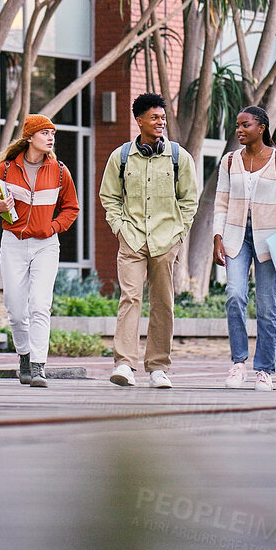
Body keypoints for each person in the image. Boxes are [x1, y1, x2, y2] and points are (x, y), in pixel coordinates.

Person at [99, 93, 199, 388]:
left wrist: (179, 235)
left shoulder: (179, 157)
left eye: (163, 118)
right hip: (131, 238)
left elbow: (189, 200)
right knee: (130, 298)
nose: (160, 122)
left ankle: (158, 367)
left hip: (166, 240)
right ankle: (124, 365)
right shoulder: (120, 157)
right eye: (154, 117)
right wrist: (119, 227)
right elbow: (109, 197)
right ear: (139, 119)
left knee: (163, 303)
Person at [0, 115, 81, 387]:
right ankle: (24, 356)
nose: (50, 138)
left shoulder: (60, 171)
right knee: (15, 310)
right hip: (13, 241)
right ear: (30, 138)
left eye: (53, 134)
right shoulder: (5, 169)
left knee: (40, 305)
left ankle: (38, 366)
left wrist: (52, 228)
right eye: (44, 133)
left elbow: (71, 208)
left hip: (46, 245)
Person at [211, 106, 276, 391]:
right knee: (235, 294)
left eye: (245, 125)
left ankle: (264, 369)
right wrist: (217, 236)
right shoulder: (229, 161)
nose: (239, 130)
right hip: (236, 235)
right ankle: (239, 363)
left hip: (270, 237)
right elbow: (221, 202)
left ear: (261, 127)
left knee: (266, 305)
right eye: (237, 125)